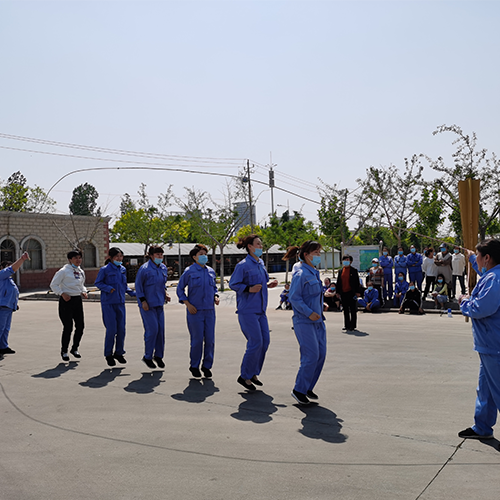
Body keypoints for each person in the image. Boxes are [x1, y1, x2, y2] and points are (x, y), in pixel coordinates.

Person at [458, 238, 500, 440]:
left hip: (494, 345)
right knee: (485, 390)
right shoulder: (493, 274)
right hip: (488, 345)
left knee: (497, 390)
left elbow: (482, 308)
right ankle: (482, 426)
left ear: (488, 257)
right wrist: (473, 258)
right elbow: (484, 273)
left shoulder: (495, 279)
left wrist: (464, 302)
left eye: (480, 257)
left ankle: (483, 426)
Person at [229, 235, 278, 391]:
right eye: (258, 244)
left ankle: (253, 373)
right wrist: (248, 289)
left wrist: (269, 285)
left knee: (265, 342)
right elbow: (233, 284)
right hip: (248, 310)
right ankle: (244, 376)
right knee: (255, 342)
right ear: (250, 246)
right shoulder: (243, 265)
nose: (260, 247)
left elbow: (262, 282)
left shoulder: (260, 263)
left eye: (261, 244)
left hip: (261, 310)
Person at [287, 241, 326, 405]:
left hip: (318, 320)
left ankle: (308, 386)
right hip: (304, 321)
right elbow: (294, 298)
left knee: (321, 355)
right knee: (311, 356)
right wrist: (309, 312)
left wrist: (321, 305)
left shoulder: (314, 273)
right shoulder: (300, 274)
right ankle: (299, 389)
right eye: (315, 253)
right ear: (306, 255)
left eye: (319, 253)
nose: (318, 256)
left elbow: (312, 295)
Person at [177, 244, 219, 379]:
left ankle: (207, 366)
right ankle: (194, 366)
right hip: (195, 311)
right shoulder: (189, 271)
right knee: (197, 340)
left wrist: (216, 296)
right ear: (194, 257)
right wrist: (187, 304)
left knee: (210, 340)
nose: (204, 256)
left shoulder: (211, 271)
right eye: (201, 254)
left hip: (210, 311)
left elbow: (214, 288)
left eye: (205, 254)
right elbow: (180, 289)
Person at [95, 247, 136, 367]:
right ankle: (108, 354)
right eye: (117, 256)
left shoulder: (123, 269)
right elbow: (98, 283)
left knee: (121, 330)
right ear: (111, 258)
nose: (119, 258)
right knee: (112, 330)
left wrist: (132, 293)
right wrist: (108, 288)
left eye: (121, 256)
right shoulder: (105, 270)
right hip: (108, 303)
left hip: (120, 302)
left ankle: (119, 352)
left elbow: (124, 285)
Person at [135, 246, 171, 369]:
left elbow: (162, 285)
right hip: (147, 305)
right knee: (152, 330)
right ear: (151, 255)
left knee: (160, 331)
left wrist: (165, 294)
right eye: (157, 254)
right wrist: (143, 301)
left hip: (159, 303)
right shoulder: (144, 269)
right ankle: (148, 356)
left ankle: (159, 356)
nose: (160, 257)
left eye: (161, 254)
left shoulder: (163, 268)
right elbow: (138, 286)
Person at [50, 250, 89, 361]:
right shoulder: (63, 271)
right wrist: (62, 293)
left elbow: (81, 285)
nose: (78, 260)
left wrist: (84, 291)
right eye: (75, 258)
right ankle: (64, 351)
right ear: (70, 259)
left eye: (80, 258)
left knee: (80, 326)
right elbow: (53, 285)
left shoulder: (80, 271)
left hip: (77, 300)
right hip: (66, 301)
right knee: (68, 327)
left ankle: (75, 348)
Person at [0, 252, 30, 355]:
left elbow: (12, 292)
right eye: (8, 266)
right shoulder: (1, 275)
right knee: (0, 328)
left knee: (5, 328)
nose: (13, 268)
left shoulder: (9, 279)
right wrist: (22, 259)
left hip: (8, 306)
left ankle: (3, 346)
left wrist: (14, 303)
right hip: (2, 306)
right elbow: (11, 269)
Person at [335, 255, 360, 332]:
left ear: (351, 261)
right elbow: (338, 282)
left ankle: (352, 326)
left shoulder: (354, 270)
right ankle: (347, 325)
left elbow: (357, 282)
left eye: (347, 260)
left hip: (351, 292)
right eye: (345, 260)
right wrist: (337, 292)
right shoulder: (341, 271)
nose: (346, 261)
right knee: (345, 310)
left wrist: (357, 292)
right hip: (343, 293)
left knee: (352, 309)